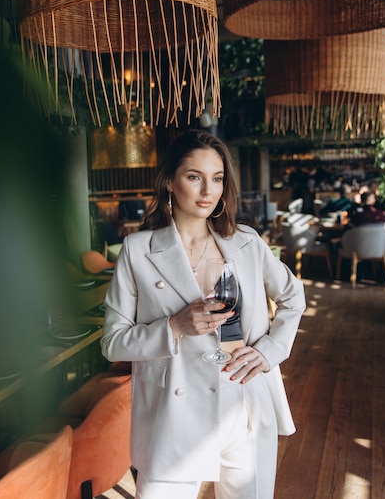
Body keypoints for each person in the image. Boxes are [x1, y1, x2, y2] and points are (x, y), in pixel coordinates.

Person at [101, 130, 305, 499]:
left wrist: (269, 351)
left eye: (217, 178)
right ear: (169, 182)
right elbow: (113, 343)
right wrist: (175, 326)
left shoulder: (246, 242)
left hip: (243, 400)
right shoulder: (136, 251)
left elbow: (293, 297)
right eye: (194, 177)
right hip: (173, 414)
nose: (207, 191)